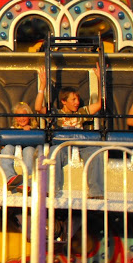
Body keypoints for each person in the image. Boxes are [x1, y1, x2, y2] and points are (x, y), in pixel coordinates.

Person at [37, 65, 104, 198]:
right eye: (73, 100)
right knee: (53, 152)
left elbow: (99, 105)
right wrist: (42, 85)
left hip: (81, 143)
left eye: (77, 99)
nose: (77, 102)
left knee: (95, 151)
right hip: (63, 144)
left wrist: (99, 79)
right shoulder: (56, 113)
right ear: (64, 101)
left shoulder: (81, 112)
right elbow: (38, 108)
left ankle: (96, 192)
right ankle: (52, 189)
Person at [0, 101, 42, 192]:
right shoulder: (12, 129)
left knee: (29, 150)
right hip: (15, 150)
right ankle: (10, 178)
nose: (21, 119)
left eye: (24, 116)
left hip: (29, 150)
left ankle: (27, 182)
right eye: (18, 116)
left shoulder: (35, 129)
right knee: (7, 148)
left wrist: (27, 132)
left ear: (29, 116)